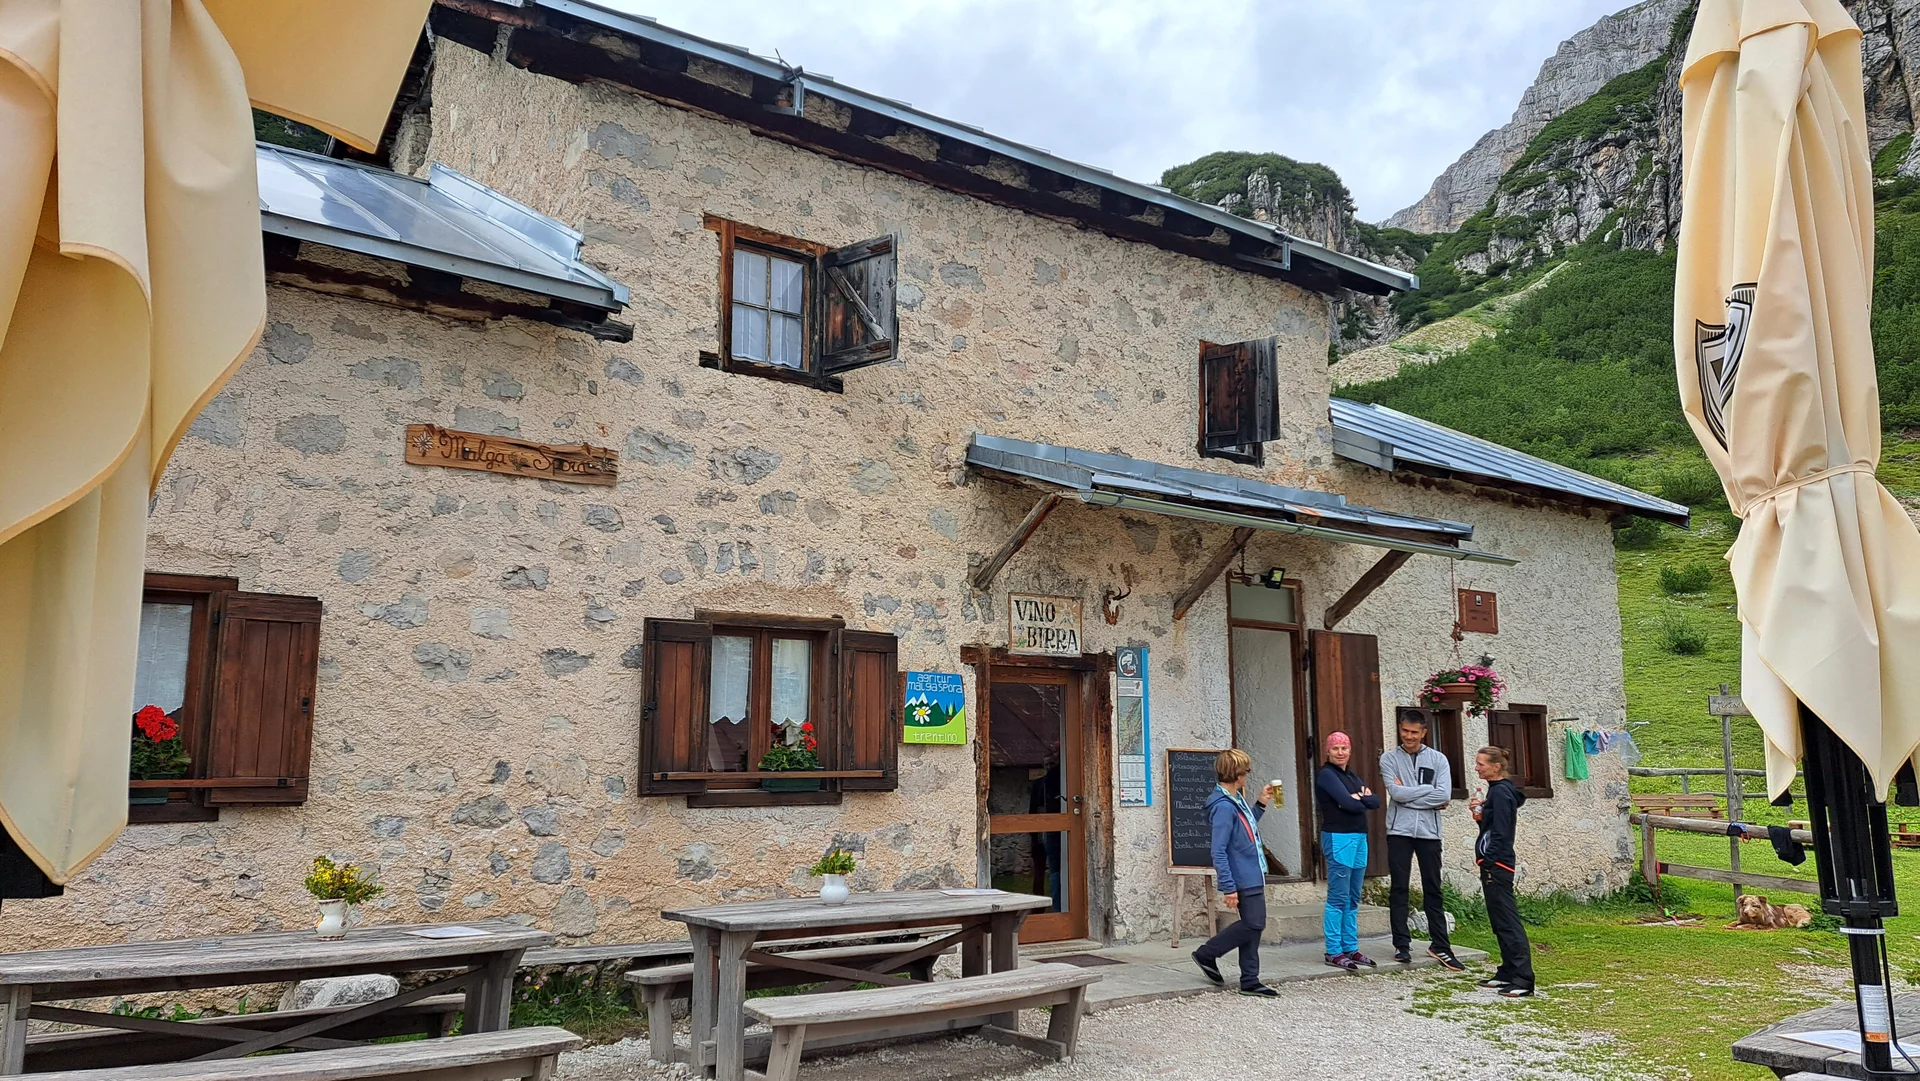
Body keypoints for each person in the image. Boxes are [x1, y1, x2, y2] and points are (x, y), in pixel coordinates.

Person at [1380, 714, 1466, 971]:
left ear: (1424, 733)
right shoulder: (1388, 758)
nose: (1408, 736)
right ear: (1399, 729)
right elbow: (1395, 793)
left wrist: (1408, 794)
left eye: (1414, 732)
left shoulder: (1439, 759)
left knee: (1433, 888)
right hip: (1399, 831)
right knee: (1399, 888)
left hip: (1429, 833)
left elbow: (1444, 794)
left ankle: (1440, 944)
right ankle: (1401, 945)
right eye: (1405, 731)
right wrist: (1426, 793)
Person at [1192, 748, 1280, 997]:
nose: (1248, 775)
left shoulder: (1235, 800)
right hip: (1242, 875)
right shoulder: (1223, 807)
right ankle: (1207, 954)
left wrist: (1261, 803)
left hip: (1252, 871)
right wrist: (1228, 886)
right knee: (1254, 923)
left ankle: (1250, 979)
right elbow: (1218, 851)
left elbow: (1246, 828)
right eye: (1247, 770)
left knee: (1254, 926)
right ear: (1238, 774)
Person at [1471, 745, 1535, 998]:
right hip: (1494, 862)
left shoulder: (1500, 794)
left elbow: (1500, 832)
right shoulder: (1497, 791)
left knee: (1508, 921)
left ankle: (1523, 978)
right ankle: (1507, 972)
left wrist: (1488, 860)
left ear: (1496, 767)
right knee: (1499, 921)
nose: (1477, 767)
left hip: (1497, 865)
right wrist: (1480, 817)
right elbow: (1491, 825)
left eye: (1481, 764)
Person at [1316, 731, 1380, 971]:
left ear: (1350, 750)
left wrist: (1357, 799)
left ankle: (1350, 946)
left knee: (1353, 896)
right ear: (1327, 751)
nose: (1340, 752)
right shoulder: (1326, 775)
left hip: (1359, 837)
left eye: (1344, 748)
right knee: (1338, 897)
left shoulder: (1351, 775)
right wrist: (1357, 799)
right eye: (1335, 748)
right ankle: (1333, 950)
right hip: (1339, 837)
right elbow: (1351, 803)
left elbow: (1375, 801)